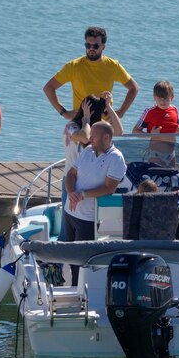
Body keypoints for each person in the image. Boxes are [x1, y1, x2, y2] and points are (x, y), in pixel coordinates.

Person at [65, 121, 127, 285]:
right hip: (70, 213)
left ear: (106, 138)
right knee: (71, 256)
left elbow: (109, 188)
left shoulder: (116, 158)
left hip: (88, 219)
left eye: (93, 136)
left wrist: (82, 195)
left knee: (82, 260)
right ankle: (73, 285)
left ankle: (80, 292)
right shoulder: (87, 150)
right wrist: (72, 193)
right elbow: (71, 174)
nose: (89, 138)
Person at [59, 92, 123, 239]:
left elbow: (118, 131)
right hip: (71, 179)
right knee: (66, 222)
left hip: (88, 186)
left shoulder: (97, 130)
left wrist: (109, 106)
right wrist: (86, 119)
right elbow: (85, 137)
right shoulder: (71, 127)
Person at [43, 26, 139, 121]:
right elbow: (48, 88)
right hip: (81, 121)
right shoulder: (73, 66)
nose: (91, 49)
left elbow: (134, 88)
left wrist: (121, 112)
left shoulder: (113, 66)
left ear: (103, 47)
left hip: (103, 124)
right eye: (88, 45)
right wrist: (64, 113)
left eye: (96, 46)